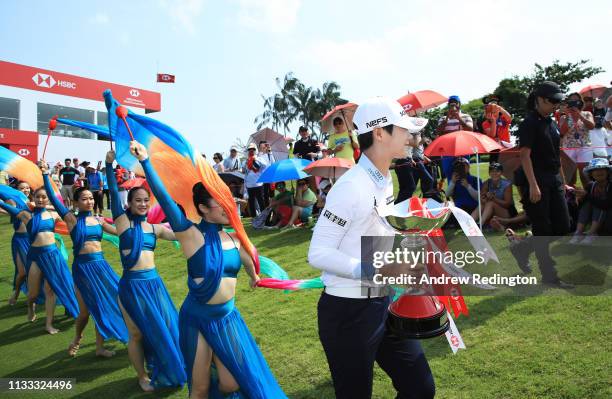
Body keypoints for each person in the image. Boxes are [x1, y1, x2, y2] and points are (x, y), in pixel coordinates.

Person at [129, 140, 287, 398]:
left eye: (228, 200)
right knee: (200, 388)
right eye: (220, 202)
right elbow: (168, 201)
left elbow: (247, 259)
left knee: (230, 384)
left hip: (227, 319)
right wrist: (146, 161)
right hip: (198, 319)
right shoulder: (191, 236)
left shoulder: (235, 239)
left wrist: (254, 277)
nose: (228, 205)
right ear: (202, 208)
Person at [309, 97, 434, 399]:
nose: (411, 137)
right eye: (403, 129)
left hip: (383, 301)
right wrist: (378, 270)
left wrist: (403, 261)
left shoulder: (385, 179)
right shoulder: (351, 186)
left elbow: (371, 236)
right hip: (347, 312)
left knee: (420, 388)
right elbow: (318, 253)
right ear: (379, 133)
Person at [105, 150, 186, 392]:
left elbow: (180, 235)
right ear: (129, 203)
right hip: (131, 286)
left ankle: (167, 364)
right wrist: (109, 166)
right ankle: (142, 376)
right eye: (137, 200)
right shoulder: (121, 222)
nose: (142, 204)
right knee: (136, 333)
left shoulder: (156, 228)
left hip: (154, 285)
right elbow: (111, 189)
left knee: (167, 326)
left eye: (145, 201)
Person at [40, 162, 128, 357]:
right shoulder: (72, 219)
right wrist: (46, 175)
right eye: (84, 199)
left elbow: (121, 232)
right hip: (83, 269)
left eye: (90, 198)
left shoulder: (99, 220)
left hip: (101, 266)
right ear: (77, 202)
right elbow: (55, 200)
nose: (89, 201)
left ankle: (99, 348)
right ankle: (77, 339)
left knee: (104, 305)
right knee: (85, 312)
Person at [513, 81, 573, 288]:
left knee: (563, 226)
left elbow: (556, 155)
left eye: (559, 100)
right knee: (543, 229)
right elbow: (524, 155)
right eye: (552, 100)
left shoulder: (552, 123)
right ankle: (550, 276)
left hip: (554, 180)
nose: (556, 104)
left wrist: (564, 183)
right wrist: (533, 185)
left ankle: (523, 247)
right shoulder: (529, 123)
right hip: (535, 180)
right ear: (539, 99)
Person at [0, 186, 80, 334]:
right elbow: (7, 207)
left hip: (52, 255)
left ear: (48, 199)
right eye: (38, 197)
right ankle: (31, 307)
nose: (41, 199)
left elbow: (69, 212)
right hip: (36, 256)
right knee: (33, 294)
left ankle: (48, 324)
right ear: (33, 198)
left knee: (50, 290)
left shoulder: (53, 214)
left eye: (44, 197)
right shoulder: (26, 215)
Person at [569, 158, 612, 244]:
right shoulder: (590, 186)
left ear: (607, 172)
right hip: (596, 218)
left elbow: (606, 204)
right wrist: (579, 197)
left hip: (609, 218)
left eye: (602, 169)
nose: (599, 172)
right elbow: (582, 206)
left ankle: (592, 233)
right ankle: (578, 233)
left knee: (597, 203)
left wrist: (586, 195)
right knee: (588, 203)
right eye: (595, 170)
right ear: (591, 174)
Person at [2, 181, 31, 306]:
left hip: (33, 240)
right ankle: (16, 291)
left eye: (27, 187)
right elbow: (8, 209)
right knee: (22, 272)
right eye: (22, 188)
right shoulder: (13, 201)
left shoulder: (33, 201)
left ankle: (33, 299)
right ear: (16, 190)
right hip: (20, 240)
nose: (25, 190)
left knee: (34, 270)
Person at [559, 92, 595, 187]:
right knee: (570, 177)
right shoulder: (563, 117)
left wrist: (579, 115)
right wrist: (568, 116)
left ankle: (588, 198)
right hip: (568, 148)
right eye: (572, 101)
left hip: (584, 147)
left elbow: (591, 126)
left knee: (585, 175)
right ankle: (572, 200)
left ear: (581, 102)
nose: (574, 102)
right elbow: (562, 132)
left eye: (576, 100)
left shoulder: (587, 113)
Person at [436, 95, 474, 178]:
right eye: (451, 104)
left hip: (463, 149)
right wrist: (447, 118)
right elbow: (438, 131)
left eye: (455, 103)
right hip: (447, 150)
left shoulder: (466, 116)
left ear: (459, 104)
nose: (453, 106)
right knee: (449, 173)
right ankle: (452, 190)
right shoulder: (443, 118)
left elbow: (470, 129)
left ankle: (464, 190)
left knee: (464, 173)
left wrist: (459, 119)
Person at [481, 94, 512, 163]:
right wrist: (493, 121)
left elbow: (509, 118)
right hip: (494, 149)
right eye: (491, 109)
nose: (493, 110)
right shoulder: (485, 123)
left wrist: (500, 108)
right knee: (494, 170)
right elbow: (492, 134)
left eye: (495, 108)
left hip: (506, 147)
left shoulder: (503, 118)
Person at [244, 143, 265, 217]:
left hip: (258, 184)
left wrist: (255, 160)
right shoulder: (246, 161)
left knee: (261, 202)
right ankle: (254, 218)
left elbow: (265, 166)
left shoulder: (259, 158)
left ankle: (263, 218)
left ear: (255, 150)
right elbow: (245, 173)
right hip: (249, 185)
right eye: (249, 149)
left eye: (253, 149)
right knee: (251, 203)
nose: (251, 151)